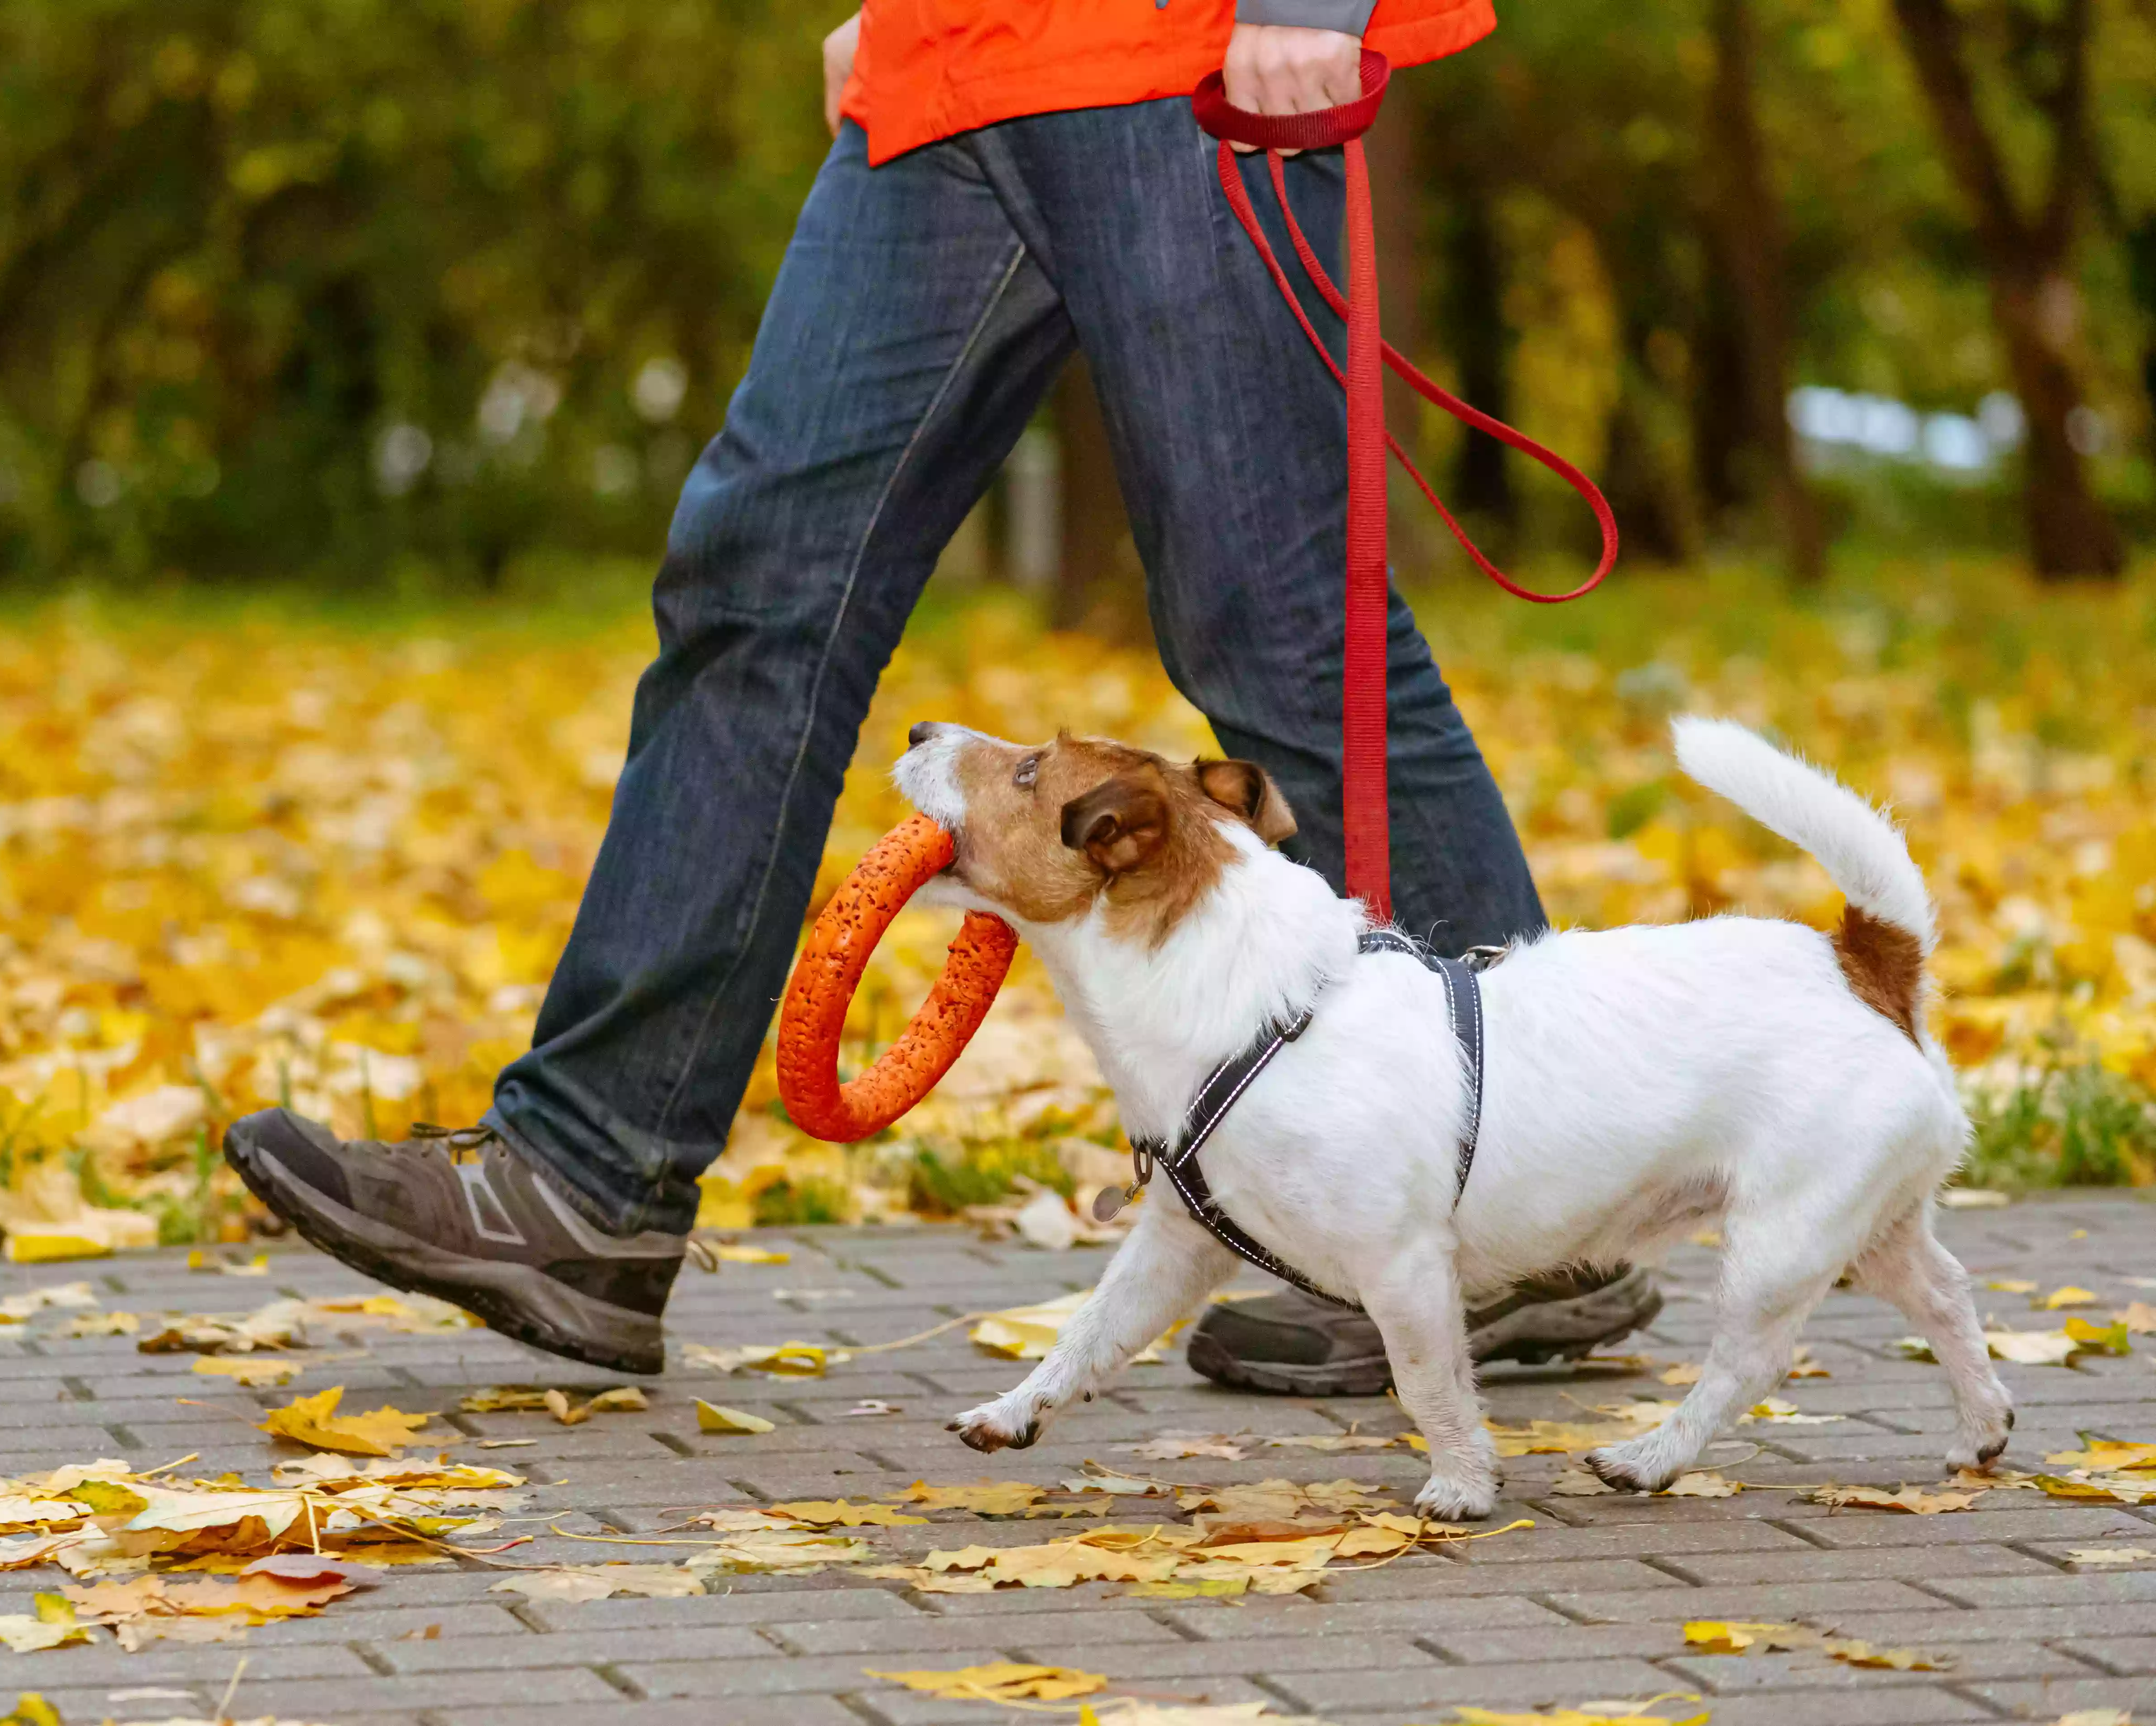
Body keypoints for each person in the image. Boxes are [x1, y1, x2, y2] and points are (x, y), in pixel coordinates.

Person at [224, 0, 1660, 1394]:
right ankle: (589, 1176)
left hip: (1185, 55)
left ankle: (1514, 1202)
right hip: (956, 62)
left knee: (1275, 636)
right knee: (759, 582)